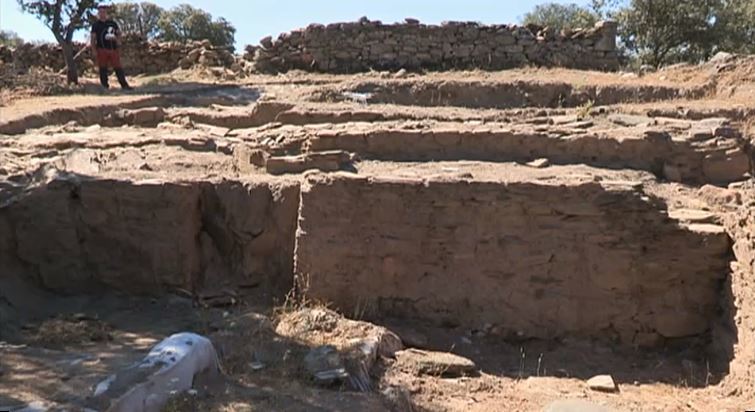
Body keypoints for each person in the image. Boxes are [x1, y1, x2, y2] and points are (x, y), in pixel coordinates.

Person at [91, 5, 132, 90]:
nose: (102, 14)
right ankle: (104, 86)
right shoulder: (96, 25)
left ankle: (124, 85)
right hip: (101, 49)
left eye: (104, 12)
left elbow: (119, 33)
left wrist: (118, 41)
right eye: (100, 12)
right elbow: (93, 38)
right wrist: (94, 50)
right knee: (103, 68)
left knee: (118, 67)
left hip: (113, 49)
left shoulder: (112, 23)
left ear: (106, 13)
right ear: (98, 13)